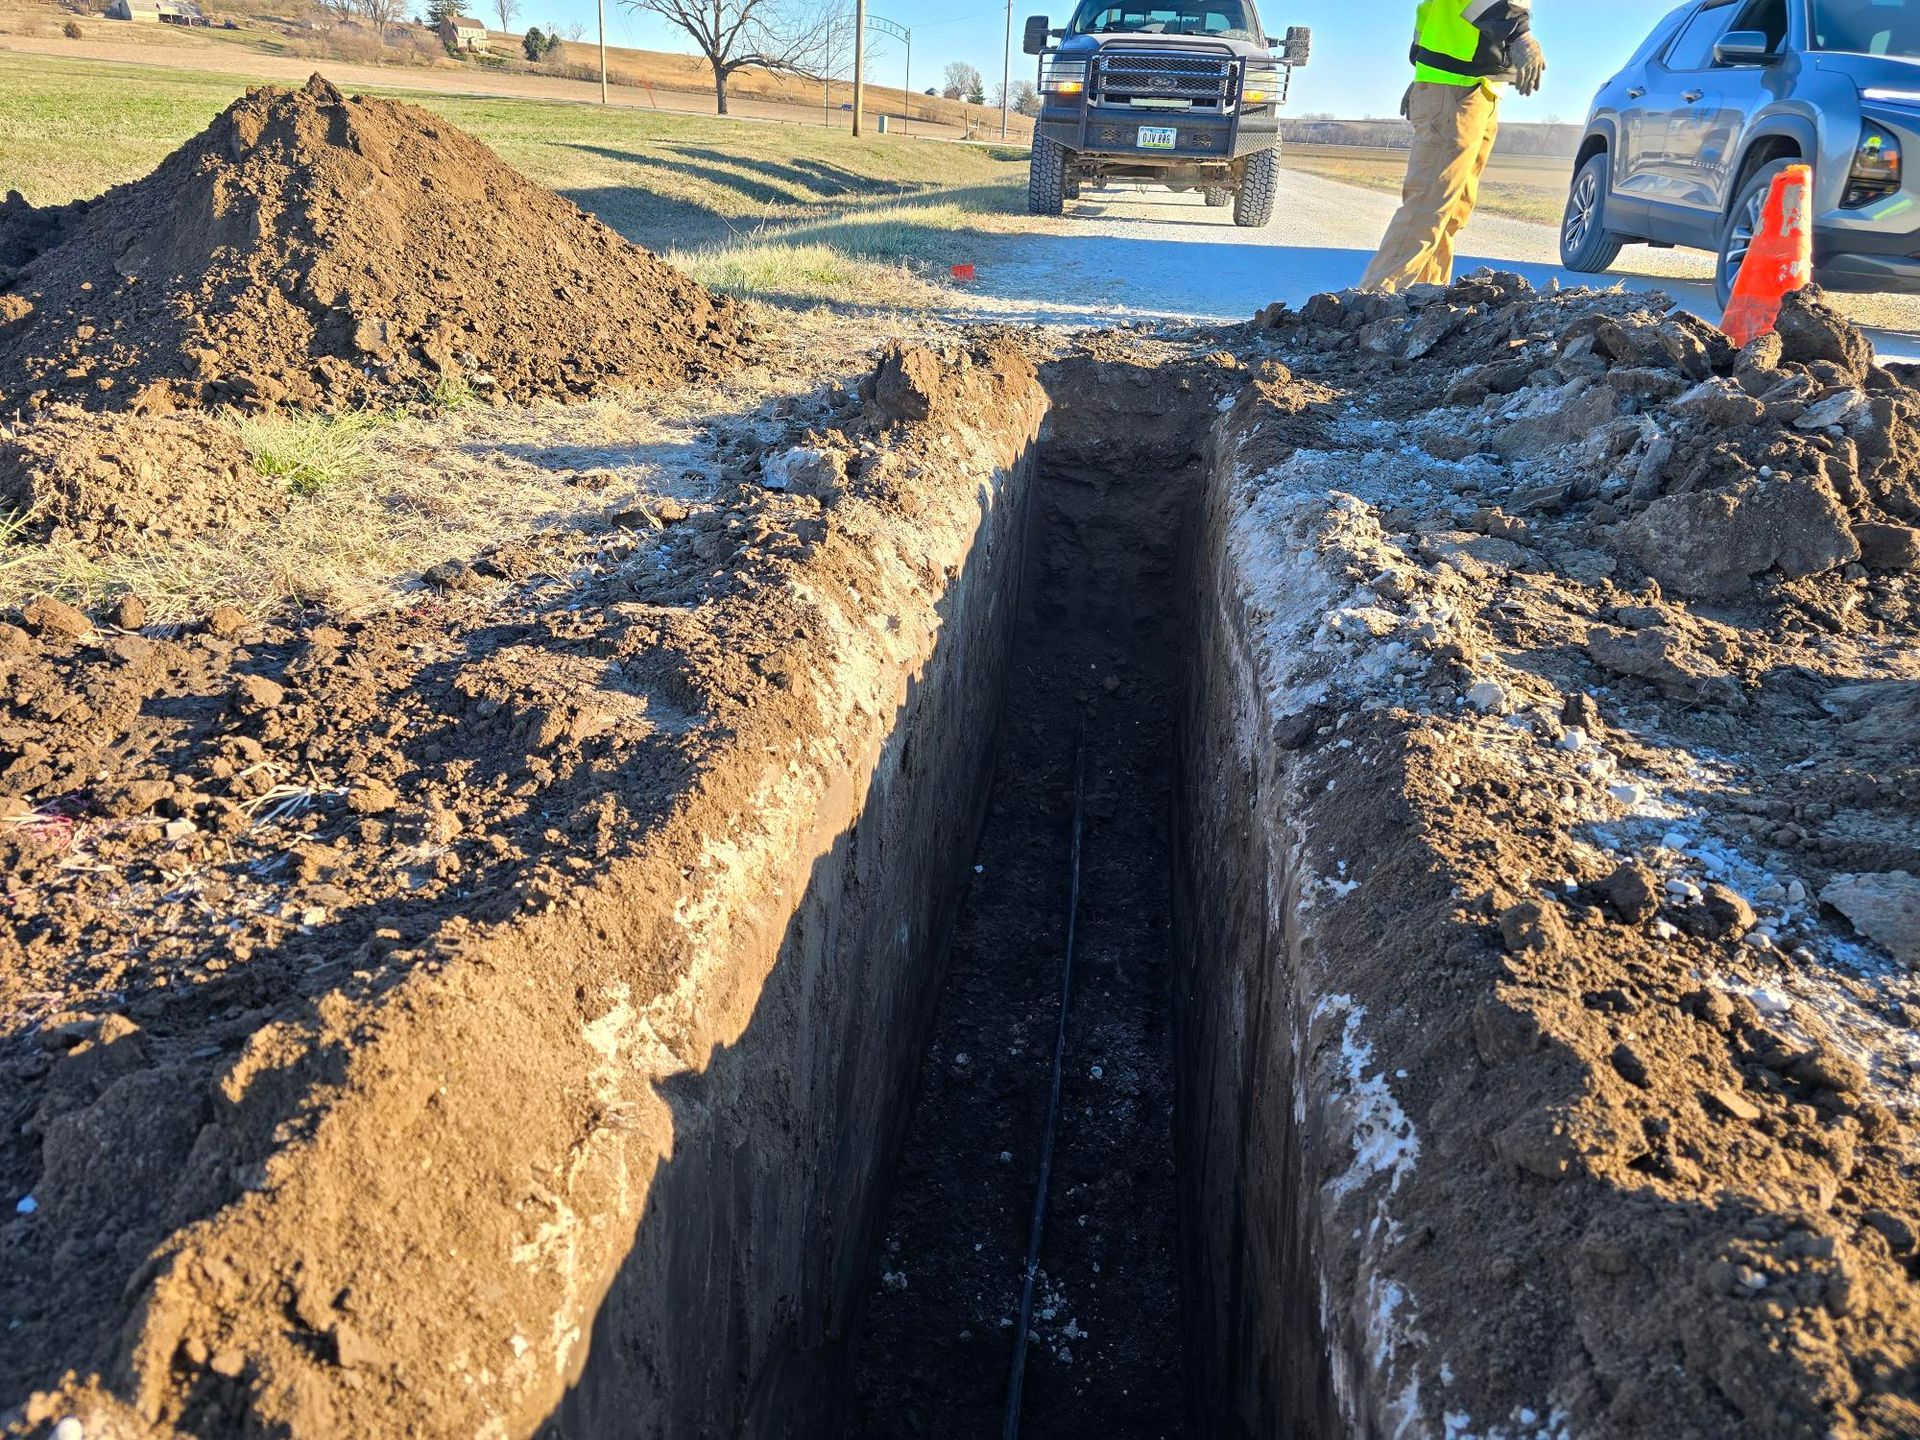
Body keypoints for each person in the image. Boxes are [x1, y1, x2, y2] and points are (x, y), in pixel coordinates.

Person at [1358, 0, 1546, 292]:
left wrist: (1425, 67)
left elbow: (1429, 15)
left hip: (1476, 87)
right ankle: (1374, 301)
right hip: (1455, 87)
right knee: (1429, 204)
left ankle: (1423, 297)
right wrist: (1518, 32)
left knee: (1452, 210)